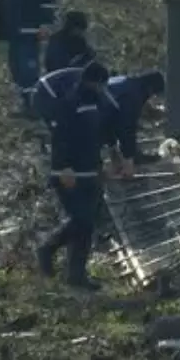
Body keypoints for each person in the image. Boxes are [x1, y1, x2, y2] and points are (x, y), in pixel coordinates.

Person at [37, 61, 111, 291]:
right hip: (69, 173)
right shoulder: (70, 103)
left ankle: (76, 274)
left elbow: (100, 134)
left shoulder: (97, 103)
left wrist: (107, 159)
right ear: (92, 82)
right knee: (82, 220)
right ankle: (47, 249)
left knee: (86, 225)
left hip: (90, 170)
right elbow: (60, 138)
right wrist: (63, 167)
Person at [101, 70, 166, 180]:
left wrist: (113, 149)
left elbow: (111, 119)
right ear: (150, 90)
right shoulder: (133, 95)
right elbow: (126, 129)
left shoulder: (125, 82)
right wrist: (128, 162)